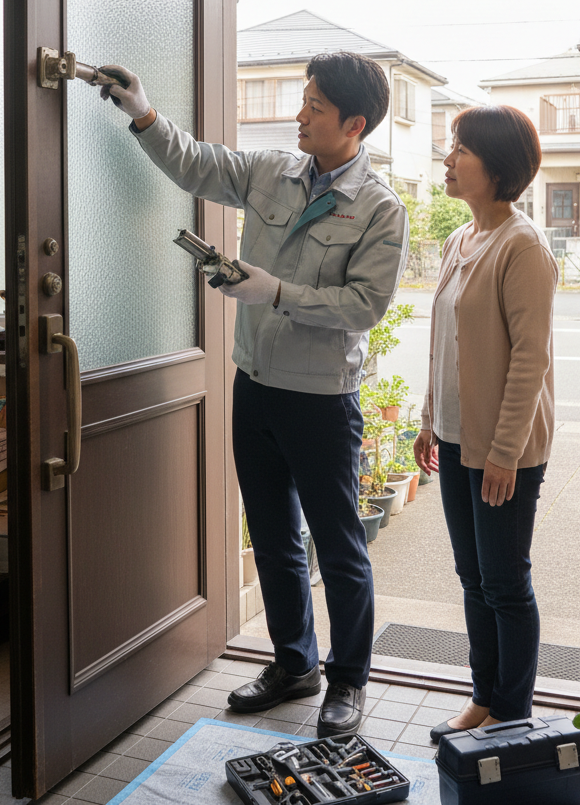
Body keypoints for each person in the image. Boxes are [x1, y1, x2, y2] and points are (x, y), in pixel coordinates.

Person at [98, 52, 408, 737]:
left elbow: (364, 306)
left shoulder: (381, 209)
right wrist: (143, 111)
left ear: (353, 124)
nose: (300, 115)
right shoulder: (274, 170)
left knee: (340, 547)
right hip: (256, 387)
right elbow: (197, 164)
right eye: (304, 101)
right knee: (272, 537)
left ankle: (349, 680)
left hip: (323, 400)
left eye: (315, 107)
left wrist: (271, 290)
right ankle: (294, 664)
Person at [413, 105, 557, 742]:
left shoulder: (522, 246)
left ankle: (512, 708)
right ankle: (484, 695)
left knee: (503, 580)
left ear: (496, 167)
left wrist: (504, 452)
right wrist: (426, 419)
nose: (448, 159)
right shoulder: (459, 239)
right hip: (453, 436)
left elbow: (530, 358)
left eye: (460, 149)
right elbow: (445, 342)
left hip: (504, 450)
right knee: (472, 576)